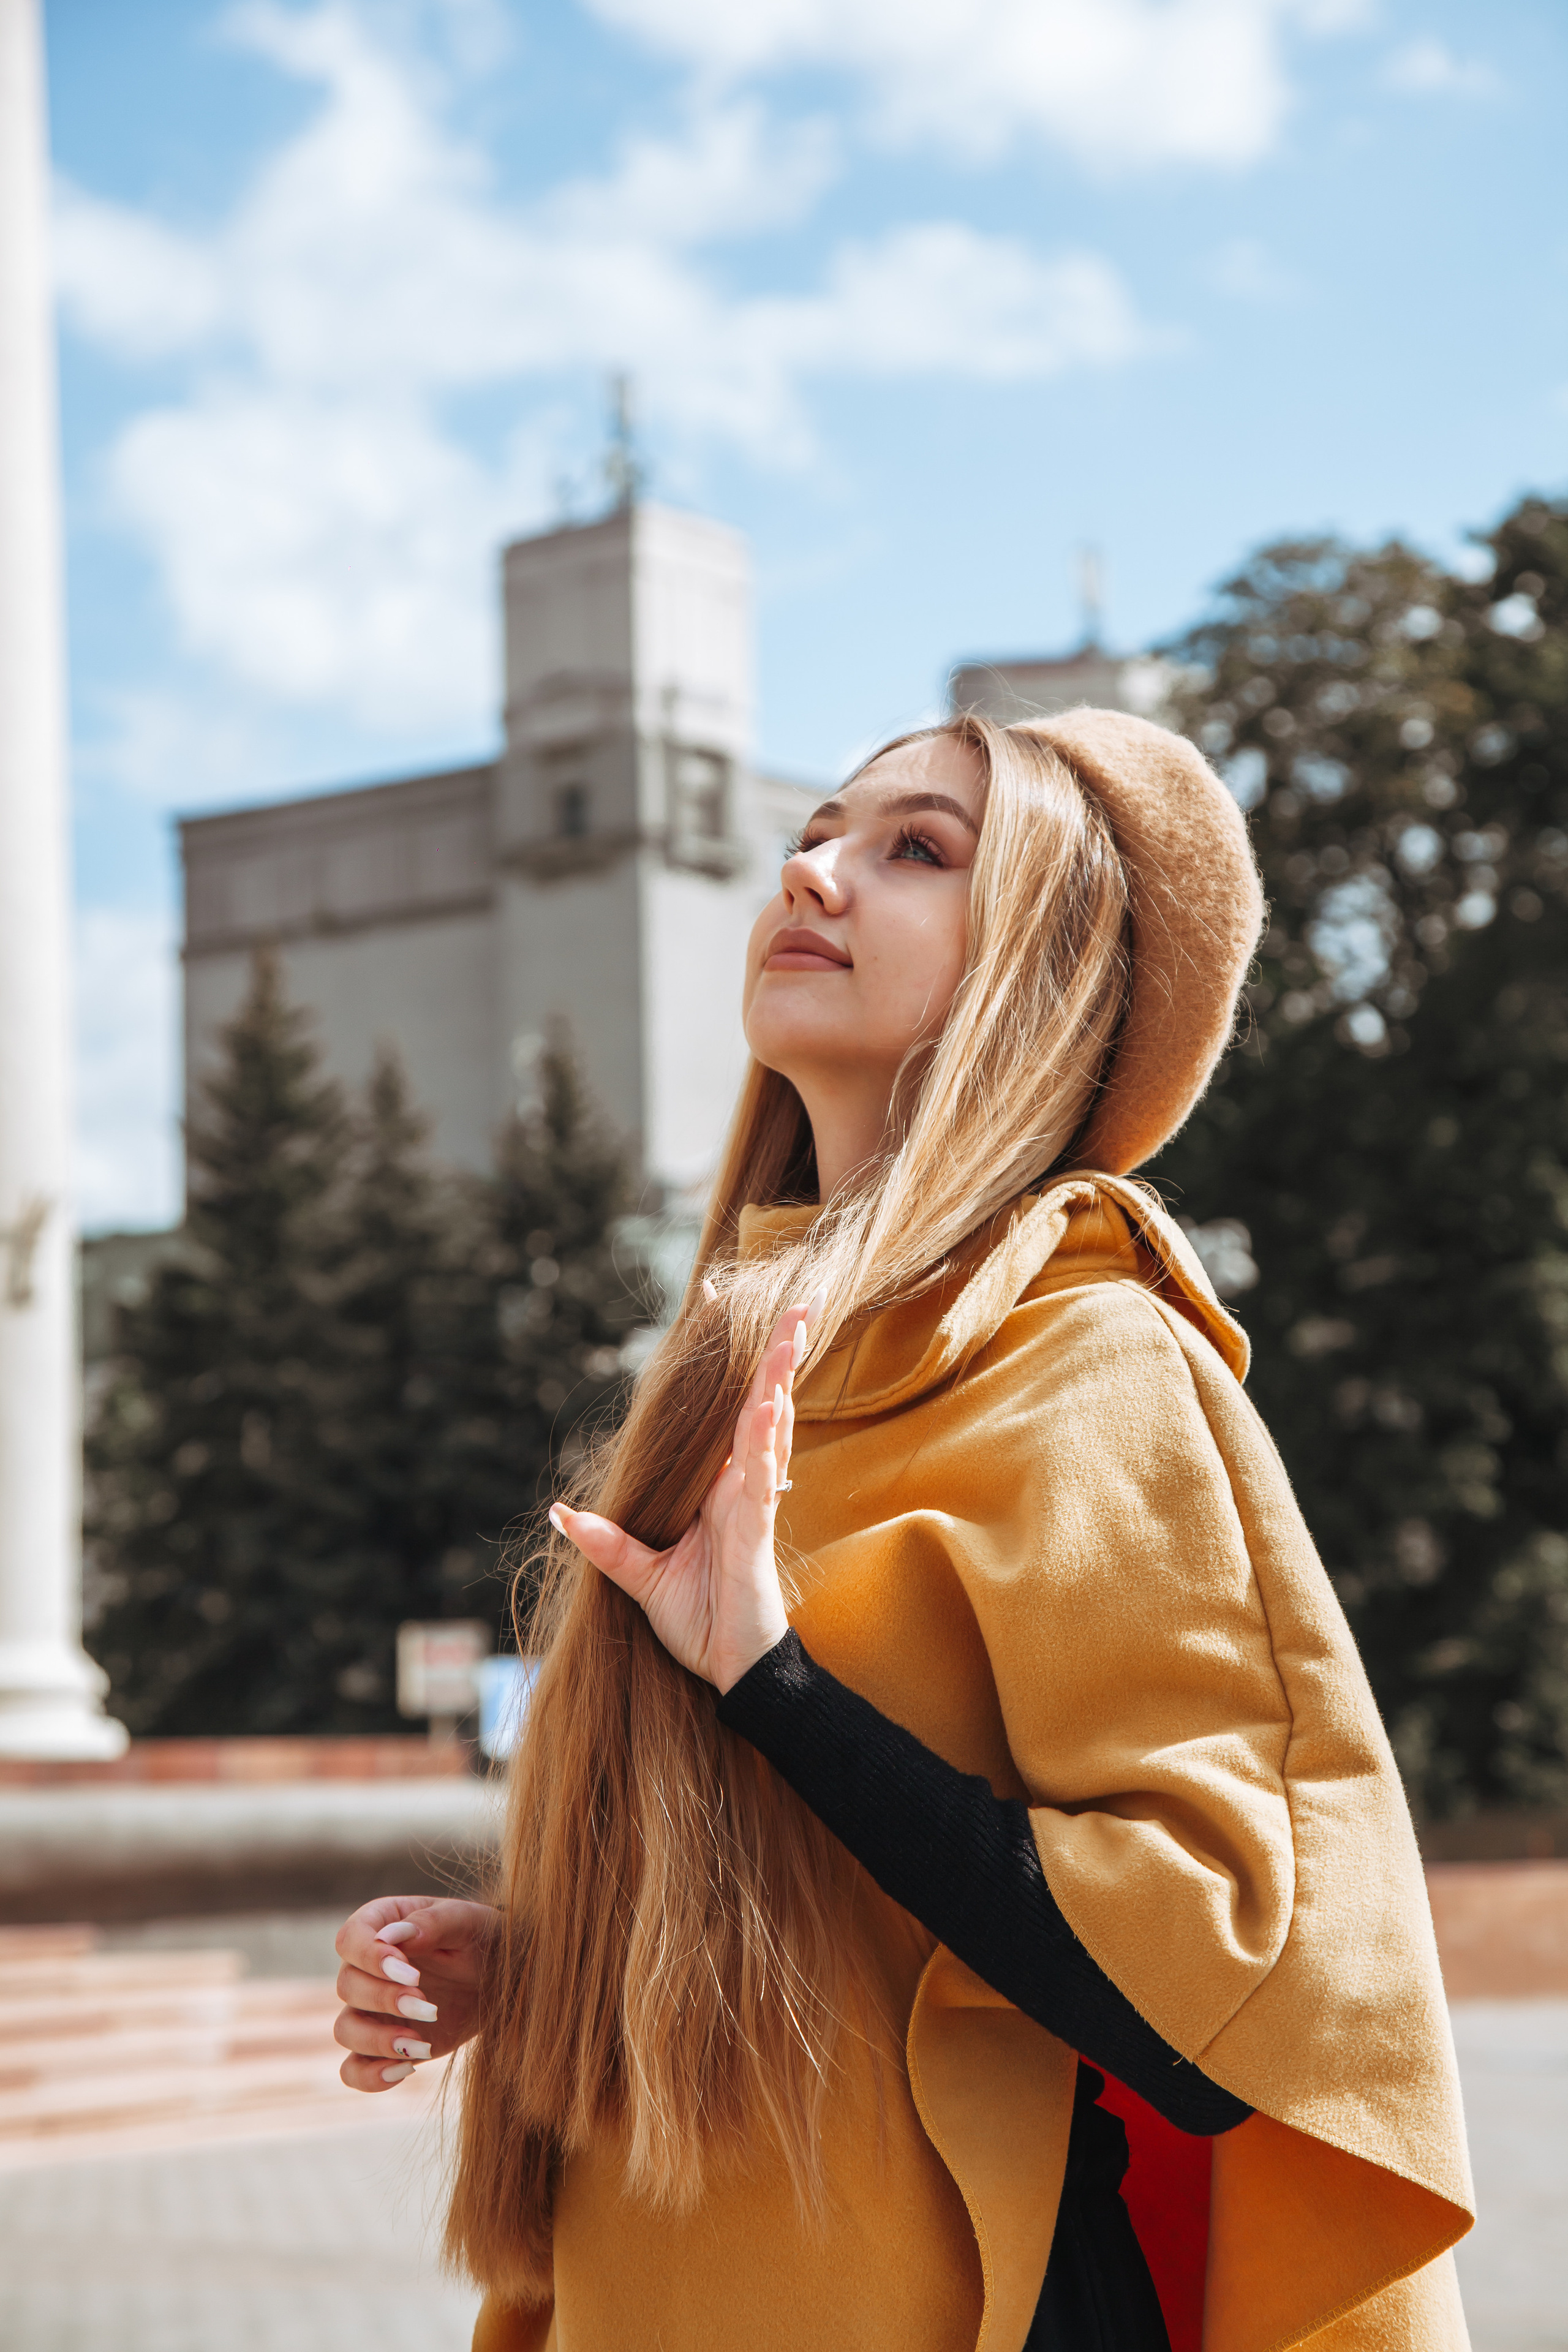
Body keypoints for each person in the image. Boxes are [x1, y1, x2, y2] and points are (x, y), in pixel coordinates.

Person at [333, 710, 1473, 2352]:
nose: (811, 869)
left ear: (1044, 967)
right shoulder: (727, 1368)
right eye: (819, 830)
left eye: (916, 849)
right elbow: (829, 1928)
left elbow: (1226, 1991)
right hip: (654, 2281)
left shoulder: (1092, 1361)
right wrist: (534, 1963)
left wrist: (775, 1682)